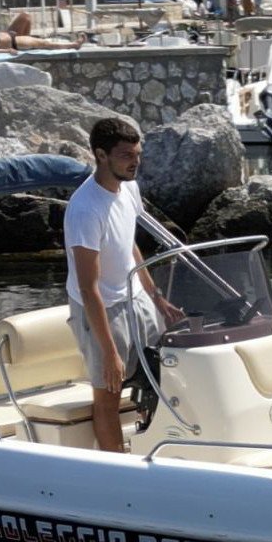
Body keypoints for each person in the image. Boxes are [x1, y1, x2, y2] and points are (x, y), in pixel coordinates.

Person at [65, 117, 180, 452]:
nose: (136, 163)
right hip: (102, 305)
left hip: (135, 297)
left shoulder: (129, 188)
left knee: (163, 371)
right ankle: (116, 466)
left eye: (138, 154)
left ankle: (155, 447)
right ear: (101, 155)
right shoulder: (85, 209)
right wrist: (110, 352)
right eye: (127, 156)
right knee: (108, 393)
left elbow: (128, 244)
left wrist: (156, 297)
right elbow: (88, 288)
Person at [0, 3, 82, 51]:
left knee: (26, 19)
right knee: (44, 43)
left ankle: (73, 45)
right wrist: (7, 51)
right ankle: (73, 45)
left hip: (11, 38)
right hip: (13, 42)